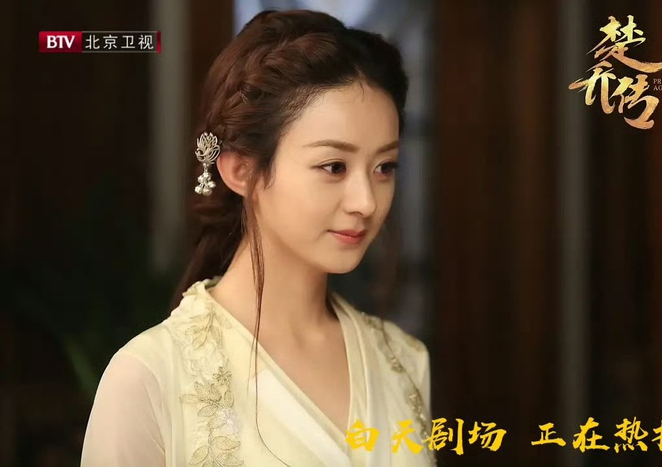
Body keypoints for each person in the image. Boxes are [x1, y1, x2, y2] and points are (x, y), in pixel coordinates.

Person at [81, 9, 434, 467]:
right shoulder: (150, 377)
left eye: (384, 167)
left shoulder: (403, 361)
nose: (366, 201)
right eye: (334, 167)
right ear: (241, 170)